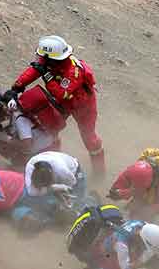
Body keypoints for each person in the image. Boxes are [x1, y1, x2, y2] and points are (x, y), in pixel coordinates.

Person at [6, 35, 105, 176]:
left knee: (89, 138)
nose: (40, 60)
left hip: (83, 106)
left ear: (52, 59)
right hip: (64, 103)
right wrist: (17, 87)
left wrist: (46, 76)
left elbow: (62, 93)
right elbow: (35, 70)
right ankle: (49, 162)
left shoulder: (74, 71)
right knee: (49, 127)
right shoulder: (51, 61)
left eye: (43, 58)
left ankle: (99, 173)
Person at [107, 149, 159, 242]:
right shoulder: (130, 172)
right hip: (142, 197)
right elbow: (113, 193)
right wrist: (126, 193)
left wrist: (157, 209)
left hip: (158, 196)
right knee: (134, 219)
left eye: (143, 188)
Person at [12, 151, 91, 231]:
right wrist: (53, 189)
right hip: (54, 181)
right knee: (40, 199)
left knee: (78, 203)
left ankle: (91, 202)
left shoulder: (63, 171)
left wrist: (66, 199)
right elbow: (32, 192)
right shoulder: (30, 168)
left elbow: (71, 186)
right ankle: (55, 215)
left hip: (75, 174)